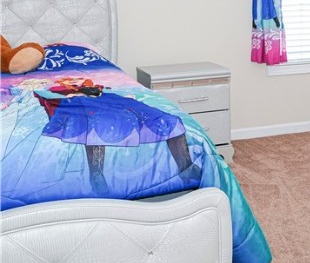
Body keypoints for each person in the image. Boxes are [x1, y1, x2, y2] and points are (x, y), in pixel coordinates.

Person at [34, 77, 199, 196]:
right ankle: (97, 176)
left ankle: (186, 168)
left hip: (111, 101)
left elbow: (104, 90)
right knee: (95, 126)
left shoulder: (96, 86)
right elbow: (45, 94)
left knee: (169, 120)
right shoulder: (55, 90)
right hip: (88, 106)